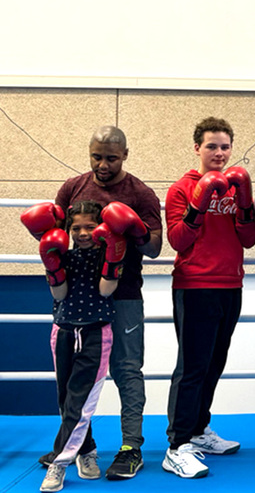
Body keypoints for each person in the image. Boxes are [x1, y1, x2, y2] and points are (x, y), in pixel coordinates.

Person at [50, 126, 163, 480]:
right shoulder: (73, 188)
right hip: (77, 298)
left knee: (127, 370)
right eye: (96, 156)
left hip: (124, 295)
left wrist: (135, 230)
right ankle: (79, 445)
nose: (102, 164)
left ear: (125, 155)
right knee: (71, 376)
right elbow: (53, 235)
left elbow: (156, 248)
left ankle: (131, 447)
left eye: (111, 158)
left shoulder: (139, 192)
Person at [162, 118, 255, 478]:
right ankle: (176, 446)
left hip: (231, 286)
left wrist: (246, 203)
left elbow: (249, 239)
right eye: (211, 147)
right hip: (194, 285)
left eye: (224, 147)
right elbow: (177, 241)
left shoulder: (236, 187)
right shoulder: (180, 190)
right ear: (197, 149)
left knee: (215, 363)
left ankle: (199, 431)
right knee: (192, 366)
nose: (219, 153)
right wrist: (198, 205)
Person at [37, 201, 119, 492]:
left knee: (81, 403)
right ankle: (87, 450)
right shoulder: (64, 255)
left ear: (102, 227)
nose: (83, 233)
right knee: (66, 400)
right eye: (76, 228)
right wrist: (52, 264)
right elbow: (59, 293)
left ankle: (59, 463)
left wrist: (113, 256)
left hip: (96, 335)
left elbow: (105, 290)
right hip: (62, 332)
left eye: (90, 226)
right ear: (68, 229)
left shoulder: (107, 253)